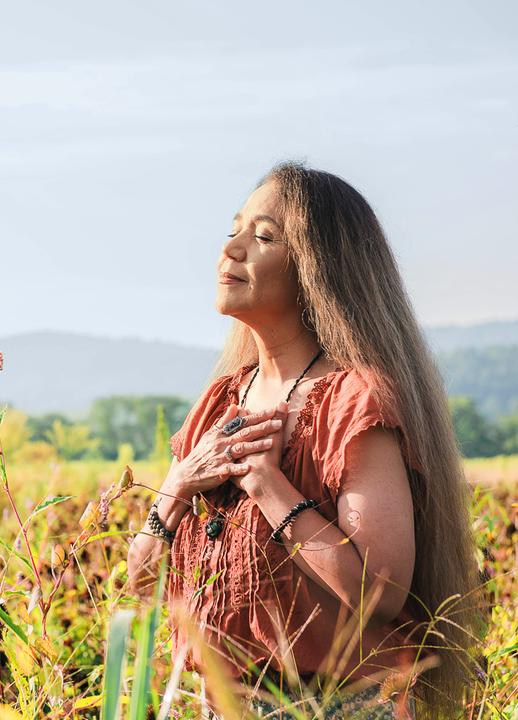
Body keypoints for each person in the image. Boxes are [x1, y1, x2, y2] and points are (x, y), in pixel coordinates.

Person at [127, 163, 477, 719]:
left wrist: (269, 485)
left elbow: (379, 594)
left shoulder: (354, 401)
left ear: (318, 269)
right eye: (234, 229)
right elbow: (141, 583)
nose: (232, 248)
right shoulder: (218, 403)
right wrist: (178, 484)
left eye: (263, 236)